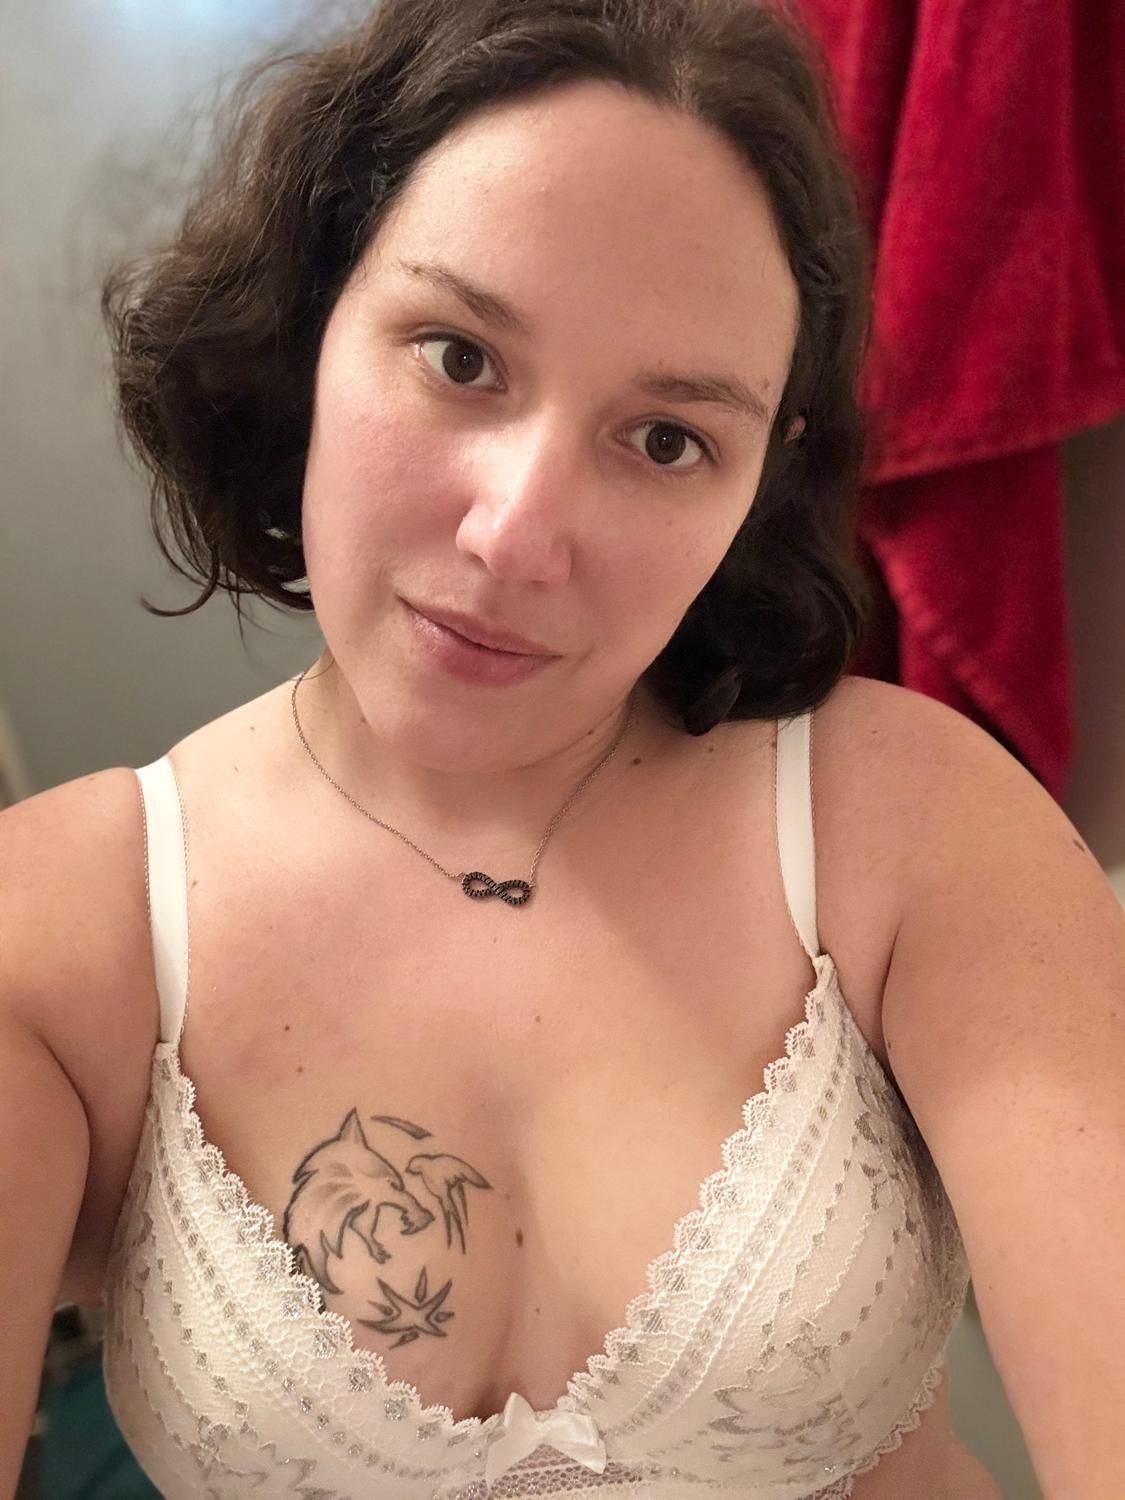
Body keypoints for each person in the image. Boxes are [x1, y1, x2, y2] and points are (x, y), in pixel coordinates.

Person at [2, 0, 1122, 1495]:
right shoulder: (63, 929)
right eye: (460, 356)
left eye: (666, 439)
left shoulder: (911, 831)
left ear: (760, 479)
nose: (518, 537)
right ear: (315, 319)